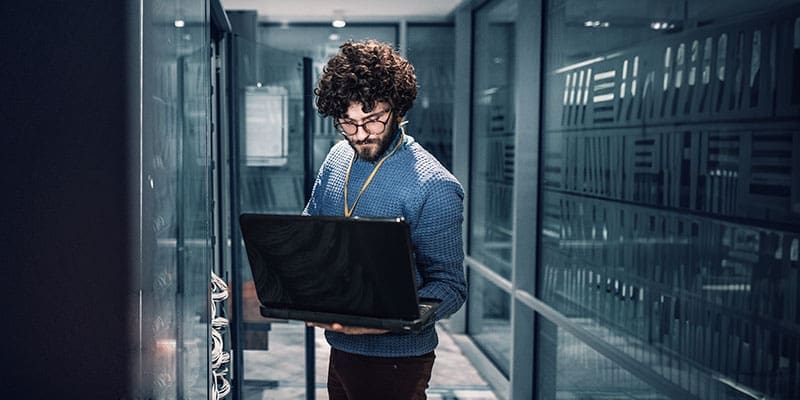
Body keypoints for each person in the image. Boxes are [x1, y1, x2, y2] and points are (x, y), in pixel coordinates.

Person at [303, 39, 467, 400]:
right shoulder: (336, 157)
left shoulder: (434, 185)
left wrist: (380, 324)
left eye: (373, 120)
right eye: (348, 123)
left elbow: (451, 288)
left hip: (397, 361)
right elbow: (310, 230)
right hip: (340, 345)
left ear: (398, 107)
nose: (361, 135)